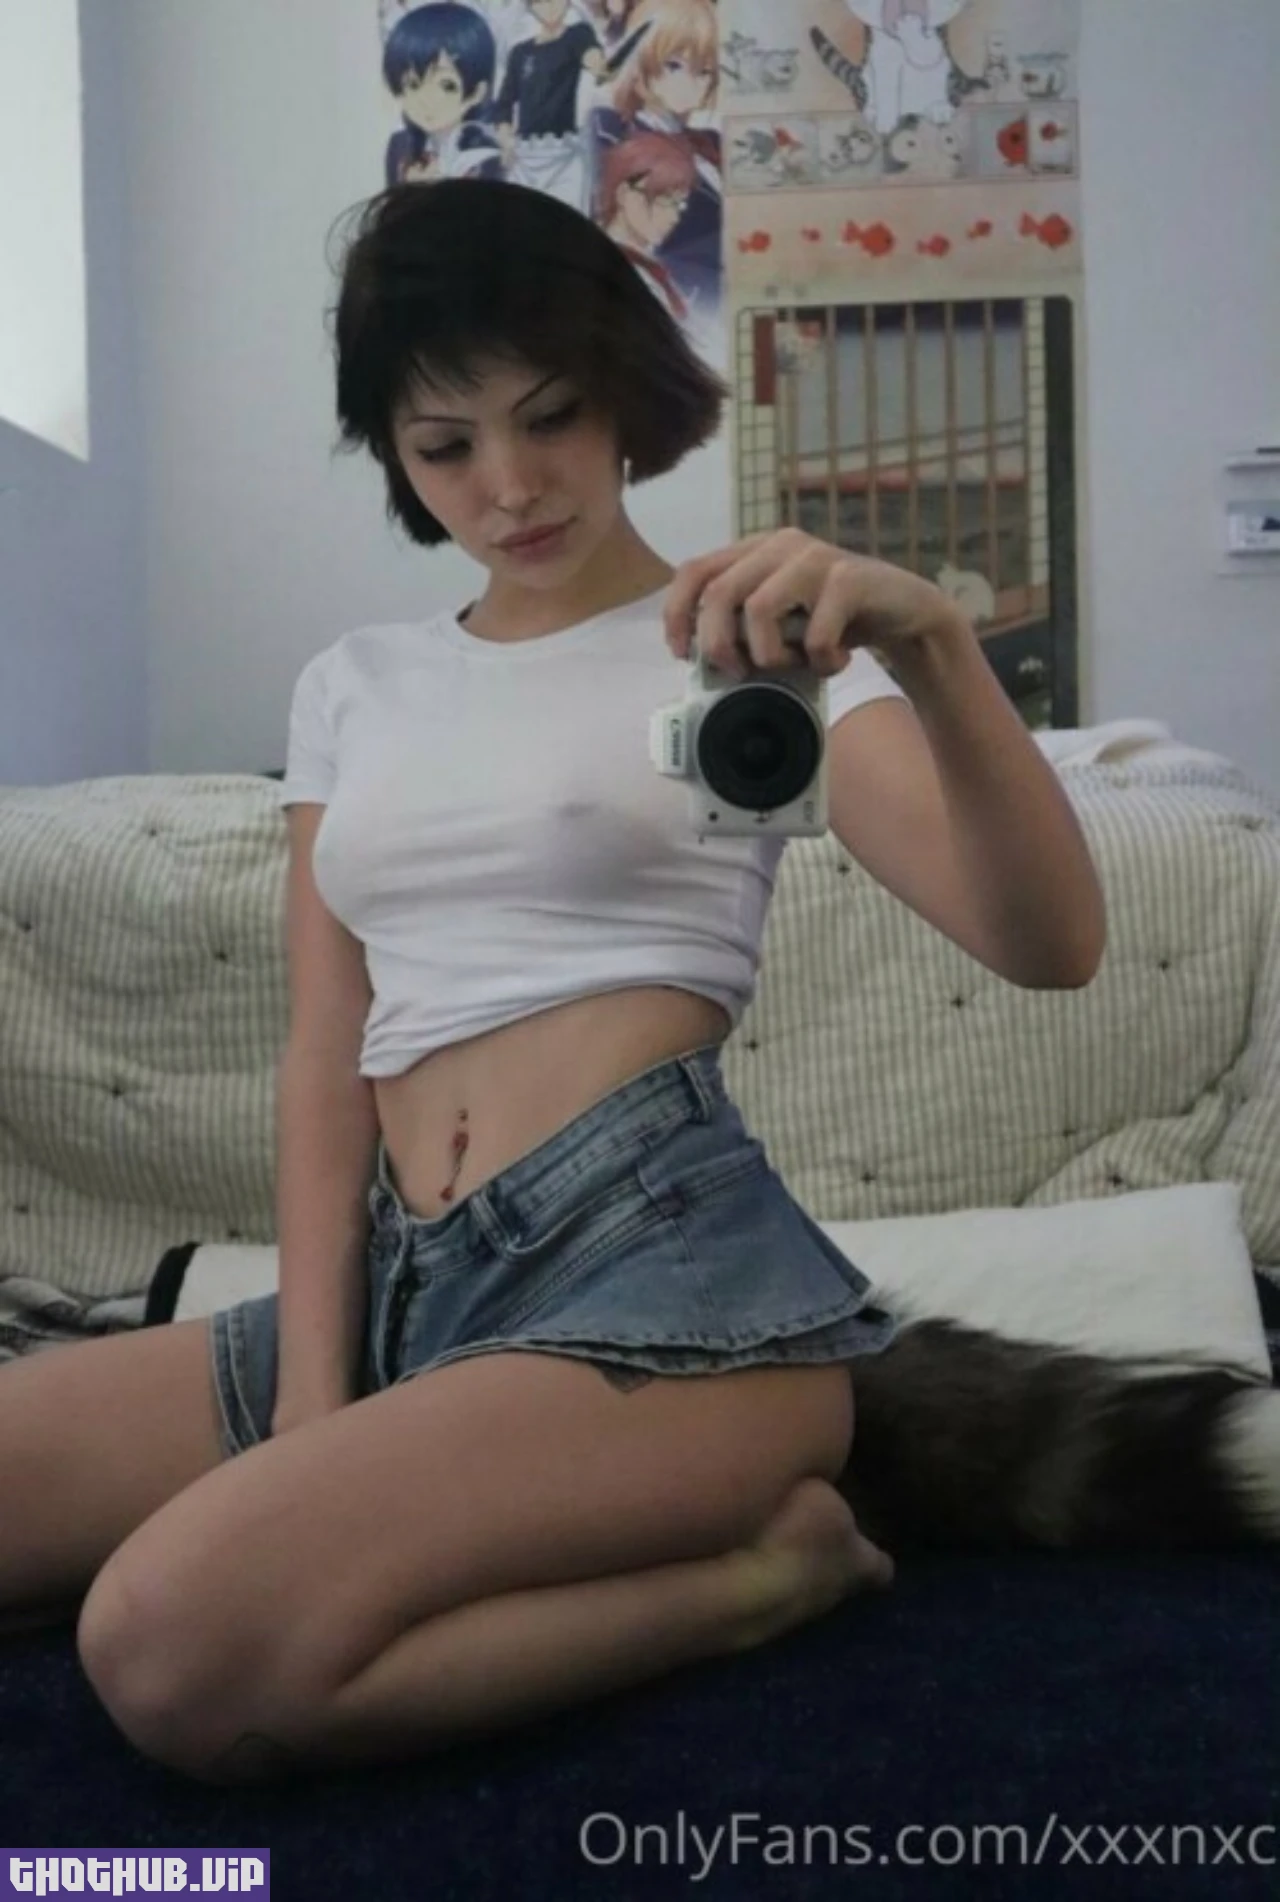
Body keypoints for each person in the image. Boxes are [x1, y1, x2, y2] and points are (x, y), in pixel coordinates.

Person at [0, 179, 1105, 1787]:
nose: (510, 485)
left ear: (622, 396)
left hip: (664, 1291)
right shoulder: (355, 685)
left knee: (167, 1651)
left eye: (553, 416)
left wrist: (932, 643)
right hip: (407, 1284)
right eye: (446, 445)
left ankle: (768, 1574)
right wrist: (313, 1395)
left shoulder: (744, 647)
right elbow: (327, 1050)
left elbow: (1052, 944)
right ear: (395, 455)